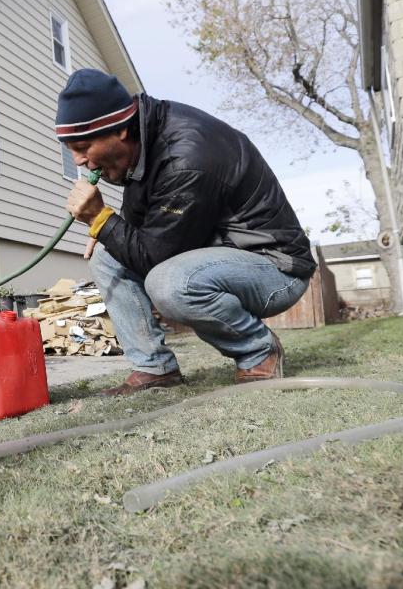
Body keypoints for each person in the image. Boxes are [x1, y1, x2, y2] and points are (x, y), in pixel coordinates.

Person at [59, 69, 316, 396]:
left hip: (275, 267)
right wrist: (109, 230)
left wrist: (100, 219)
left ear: (120, 130)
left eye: (83, 146)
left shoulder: (187, 156)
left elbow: (154, 257)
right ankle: (155, 368)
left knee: (168, 282)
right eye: (71, 149)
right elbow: (142, 229)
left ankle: (257, 351)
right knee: (106, 256)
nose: (79, 161)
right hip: (217, 252)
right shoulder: (142, 145)